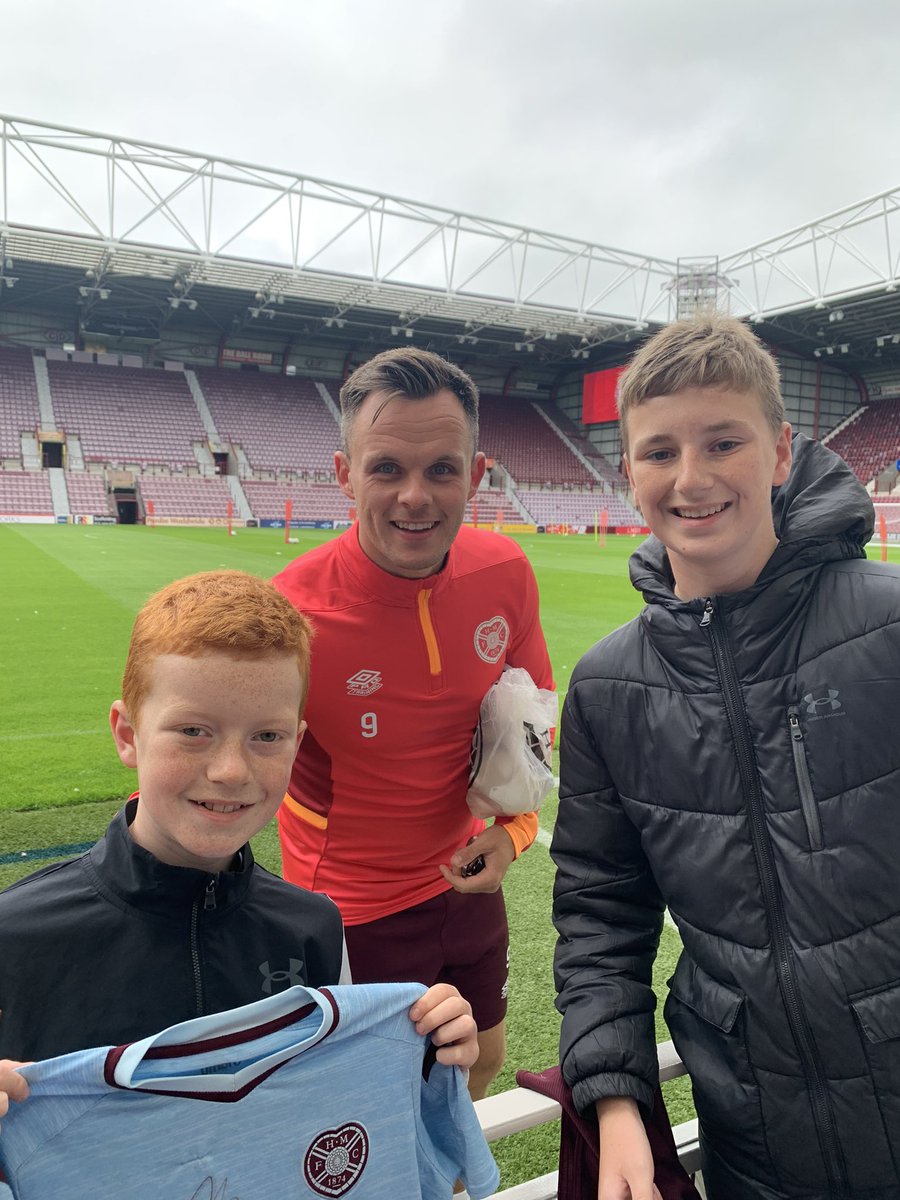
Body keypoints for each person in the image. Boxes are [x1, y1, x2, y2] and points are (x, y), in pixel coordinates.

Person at [551, 315, 900, 1200]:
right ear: (626, 471)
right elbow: (598, 915)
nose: (692, 477)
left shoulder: (889, 626)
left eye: (723, 442)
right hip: (754, 1138)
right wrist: (618, 1102)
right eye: (659, 451)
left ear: (781, 452)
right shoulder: (606, 689)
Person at [0, 571, 478, 1127]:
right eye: (193, 732)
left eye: (266, 737)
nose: (230, 771)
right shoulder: (16, 937)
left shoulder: (313, 928)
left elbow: (334, 1112)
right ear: (128, 734)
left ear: (298, 745)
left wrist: (426, 1056)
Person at [273, 347, 554, 1099]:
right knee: (373, 1104)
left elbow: (530, 735)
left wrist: (515, 833)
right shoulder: (291, 614)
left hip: (466, 884)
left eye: (440, 469)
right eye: (386, 468)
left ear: (477, 474)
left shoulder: (505, 575)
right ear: (344, 474)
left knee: (482, 1064)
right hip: (350, 909)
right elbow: (226, 772)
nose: (414, 497)